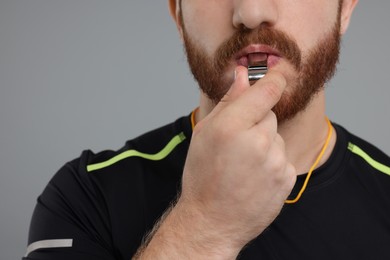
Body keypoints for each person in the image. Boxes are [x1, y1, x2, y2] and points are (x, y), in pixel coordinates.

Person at [23, 0, 390, 259]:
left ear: (345, 8)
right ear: (177, 14)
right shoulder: (86, 198)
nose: (252, 12)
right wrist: (205, 227)